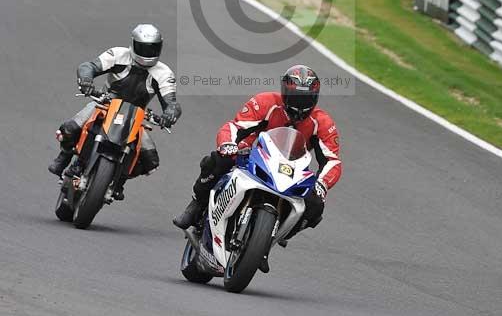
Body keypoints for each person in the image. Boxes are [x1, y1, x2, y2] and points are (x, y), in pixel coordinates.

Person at [173, 64, 341, 234]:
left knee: (316, 205)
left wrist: (322, 183)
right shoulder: (266, 102)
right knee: (218, 160)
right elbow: (235, 126)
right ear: (284, 92)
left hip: (291, 170)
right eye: (296, 97)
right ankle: (197, 204)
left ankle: (273, 237)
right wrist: (228, 144)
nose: (300, 105)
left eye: (305, 99)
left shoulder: (322, 122)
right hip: (252, 156)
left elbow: (332, 160)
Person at [48, 24, 181, 193]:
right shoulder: (118, 54)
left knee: (150, 161)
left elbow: (172, 103)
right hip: (105, 103)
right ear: (133, 44)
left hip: (136, 117)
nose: (147, 53)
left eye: (152, 48)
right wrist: (86, 81)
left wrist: (170, 113)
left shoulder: (164, 73)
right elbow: (88, 66)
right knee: (69, 129)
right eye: (143, 47)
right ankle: (65, 156)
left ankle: (119, 180)